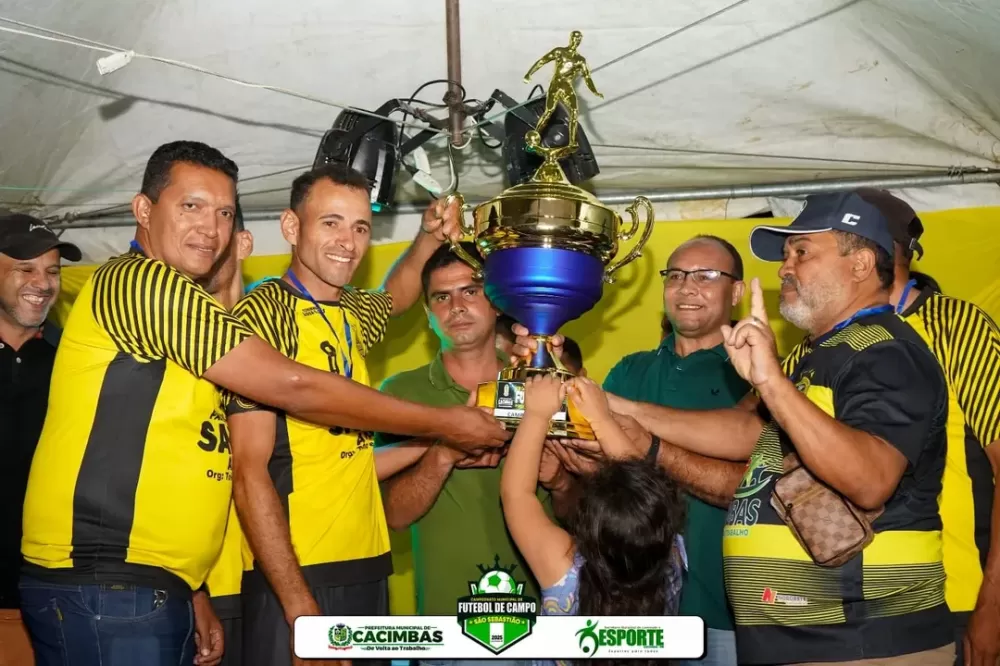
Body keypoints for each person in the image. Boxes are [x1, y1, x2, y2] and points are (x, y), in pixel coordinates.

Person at [19, 141, 509, 666]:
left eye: (224, 212)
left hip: (168, 580)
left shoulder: (318, 313)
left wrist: (428, 237)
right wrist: (446, 424)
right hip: (112, 577)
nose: (211, 226)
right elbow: (293, 394)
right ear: (144, 210)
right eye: (191, 206)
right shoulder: (146, 283)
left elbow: (395, 299)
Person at [515, 191, 956, 664]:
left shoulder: (886, 352)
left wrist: (770, 381)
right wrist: (602, 401)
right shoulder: (818, 355)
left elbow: (870, 480)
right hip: (795, 636)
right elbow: (744, 433)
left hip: (861, 636)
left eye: (802, 252)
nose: (786, 267)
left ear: (862, 263)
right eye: (786, 255)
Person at [227, 165, 484, 666]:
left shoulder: (349, 312)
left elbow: (399, 296)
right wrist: (299, 607)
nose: (348, 242)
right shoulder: (263, 314)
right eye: (331, 223)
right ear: (291, 227)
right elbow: (248, 471)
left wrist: (428, 237)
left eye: (361, 227)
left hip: (368, 564)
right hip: (299, 574)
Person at [375, 242, 574, 666]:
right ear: (427, 314)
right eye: (441, 297)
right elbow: (392, 514)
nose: (457, 307)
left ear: (497, 302)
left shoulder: (542, 382)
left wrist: (557, 479)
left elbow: (583, 513)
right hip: (447, 630)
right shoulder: (400, 395)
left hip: (545, 622)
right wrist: (443, 452)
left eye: (471, 290)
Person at [856, 189, 998, 666]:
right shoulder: (826, 340)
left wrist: (993, 607)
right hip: (851, 608)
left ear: (869, 252)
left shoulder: (957, 324)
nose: (793, 265)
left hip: (952, 600)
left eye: (813, 247)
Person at [595, 235, 751, 666]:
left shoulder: (754, 377)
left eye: (705, 276)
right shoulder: (630, 370)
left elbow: (756, 484)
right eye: (677, 275)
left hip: (724, 613)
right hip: (631, 609)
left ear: (735, 292)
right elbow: (599, 482)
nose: (687, 287)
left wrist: (643, 440)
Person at [500, 374, 685, 666]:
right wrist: (602, 420)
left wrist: (535, 414)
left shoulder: (566, 575)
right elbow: (644, 492)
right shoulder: (670, 560)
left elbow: (516, 495)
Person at [0, 215, 80, 666]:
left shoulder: (71, 367)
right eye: (24, 268)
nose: (42, 282)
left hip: (46, 599)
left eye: (52, 271)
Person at [202, 202, 255, 666]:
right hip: (204, 581)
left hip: (271, 576)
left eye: (223, 228)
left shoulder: (275, 330)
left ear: (243, 244)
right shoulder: (169, 334)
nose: (209, 245)